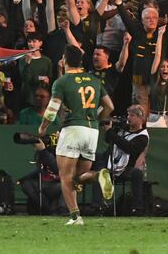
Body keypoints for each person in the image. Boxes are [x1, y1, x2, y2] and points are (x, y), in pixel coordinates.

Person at [38, 46, 114, 226]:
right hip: (92, 131)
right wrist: (96, 119)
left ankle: (75, 216)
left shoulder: (62, 81)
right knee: (78, 176)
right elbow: (110, 106)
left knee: (65, 177)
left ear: (64, 60)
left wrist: (42, 128)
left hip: (72, 129)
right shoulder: (94, 79)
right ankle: (98, 176)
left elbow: (52, 108)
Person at [80, 104, 149, 216]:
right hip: (107, 160)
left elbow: (129, 148)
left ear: (141, 118)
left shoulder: (143, 137)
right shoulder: (123, 127)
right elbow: (108, 140)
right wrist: (110, 128)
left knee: (137, 173)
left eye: (132, 115)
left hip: (125, 168)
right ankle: (97, 206)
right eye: (128, 115)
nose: (129, 118)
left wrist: (111, 133)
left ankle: (138, 208)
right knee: (96, 164)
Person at [19, 133, 64, 216]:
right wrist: (21, 180)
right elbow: (40, 170)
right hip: (45, 184)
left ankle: (50, 211)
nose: (57, 134)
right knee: (26, 184)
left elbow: (56, 168)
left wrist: (43, 150)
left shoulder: (64, 151)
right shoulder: (43, 153)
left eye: (59, 133)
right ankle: (48, 209)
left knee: (62, 186)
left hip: (58, 184)